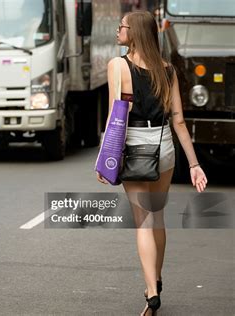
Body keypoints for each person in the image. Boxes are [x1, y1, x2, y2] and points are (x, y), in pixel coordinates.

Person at [96, 11, 208, 315]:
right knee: (157, 217)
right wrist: (195, 165)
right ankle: (156, 278)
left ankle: (151, 290)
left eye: (122, 27)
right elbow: (180, 121)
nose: (118, 30)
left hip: (133, 147)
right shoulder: (168, 70)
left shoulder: (118, 66)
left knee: (142, 221)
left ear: (135, 33)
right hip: (164, 146)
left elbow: (114, 118)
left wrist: (105, 161)